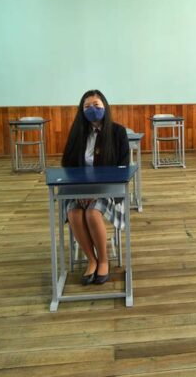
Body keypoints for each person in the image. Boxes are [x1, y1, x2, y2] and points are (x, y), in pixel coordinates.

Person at [61, 89, 130, 285]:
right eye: (87, 106)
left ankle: (104, 260)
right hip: (79, 188)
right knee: (74, 213)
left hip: (107, 189)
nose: (92, 109)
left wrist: (95, 192)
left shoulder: (118, 132)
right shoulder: (77, 133)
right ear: (81, 111)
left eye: (96, 105)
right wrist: (79, 191)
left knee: (92, 213)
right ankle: (91, 260)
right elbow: (68, 165)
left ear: (105, 106)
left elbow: (123, 168)